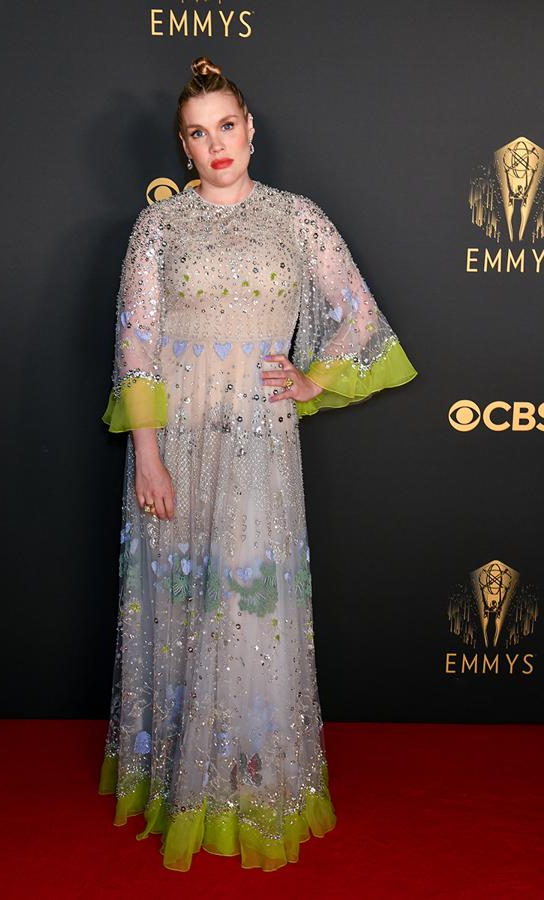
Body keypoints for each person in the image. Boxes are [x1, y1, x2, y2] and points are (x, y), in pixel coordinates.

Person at [97, 55, 418, 873]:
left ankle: (246, 777)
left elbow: (358, 317)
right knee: (181, 608)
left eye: (227, 126)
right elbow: (136, 346)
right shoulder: (159, 228)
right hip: (177, 443)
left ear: (251, 129)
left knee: (248, 610)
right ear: (183, 145)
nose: (217, 145)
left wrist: (312, 378)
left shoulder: (298, 219)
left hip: (258, 442)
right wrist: (148, 457)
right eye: (198, 134)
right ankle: (179, 775)